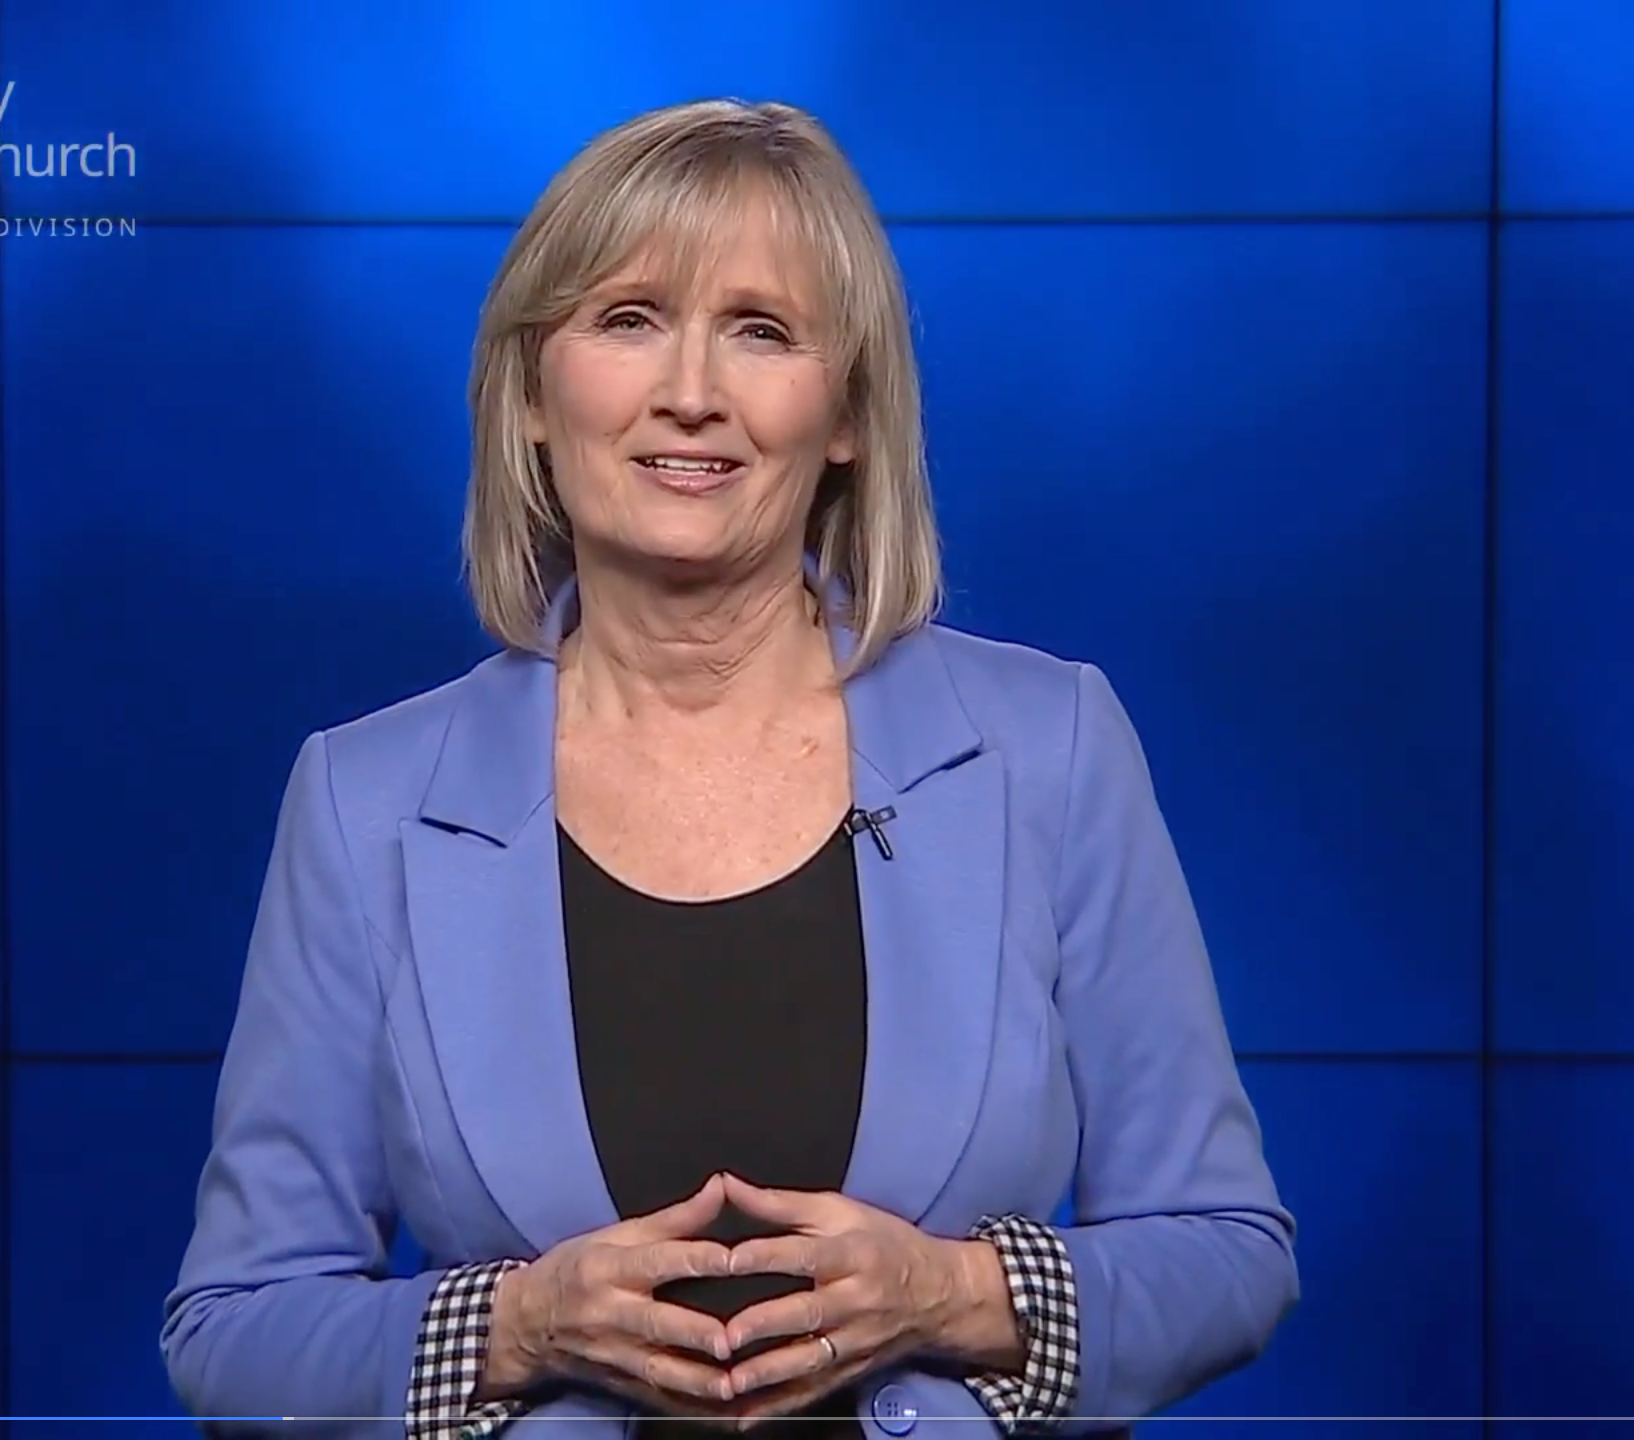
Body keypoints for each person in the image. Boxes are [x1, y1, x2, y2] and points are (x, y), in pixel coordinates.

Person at [162, 98, 1298, 1440]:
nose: (689, 391)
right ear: (533, 393)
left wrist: (957, 1294)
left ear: (847, 418)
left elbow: (1229, 1250)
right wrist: (514, 1329)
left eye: (760, 331)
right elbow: (235, 1331)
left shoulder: (1046, 747)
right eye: (629, 319)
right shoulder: (367, 801)